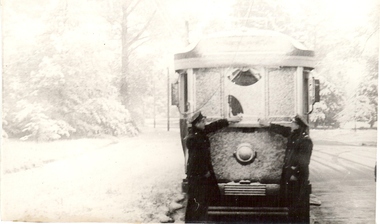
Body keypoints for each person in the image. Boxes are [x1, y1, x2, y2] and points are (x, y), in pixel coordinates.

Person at [184, 111, 242, 223]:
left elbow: (213, 126)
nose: (205, 123)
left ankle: (210, 219)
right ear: (197, 123)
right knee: (196, 201)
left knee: (205, 199)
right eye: (203, 121)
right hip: (198, 175)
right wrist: (204, 172)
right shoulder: (194, 138)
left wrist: (229, 120)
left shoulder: (198, 132)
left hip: (201, 174)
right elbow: (195, 159)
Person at [260, 115, 313, 222]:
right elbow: (283, 130)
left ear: (298, 125)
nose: (291, 125)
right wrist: (268, 124)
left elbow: (304, 161)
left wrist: (294, 174)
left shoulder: (305, 140)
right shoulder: (295, 135)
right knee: (291, 202)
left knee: (297, 203)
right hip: (290, 175)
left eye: (293, 123)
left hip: (297, 176)